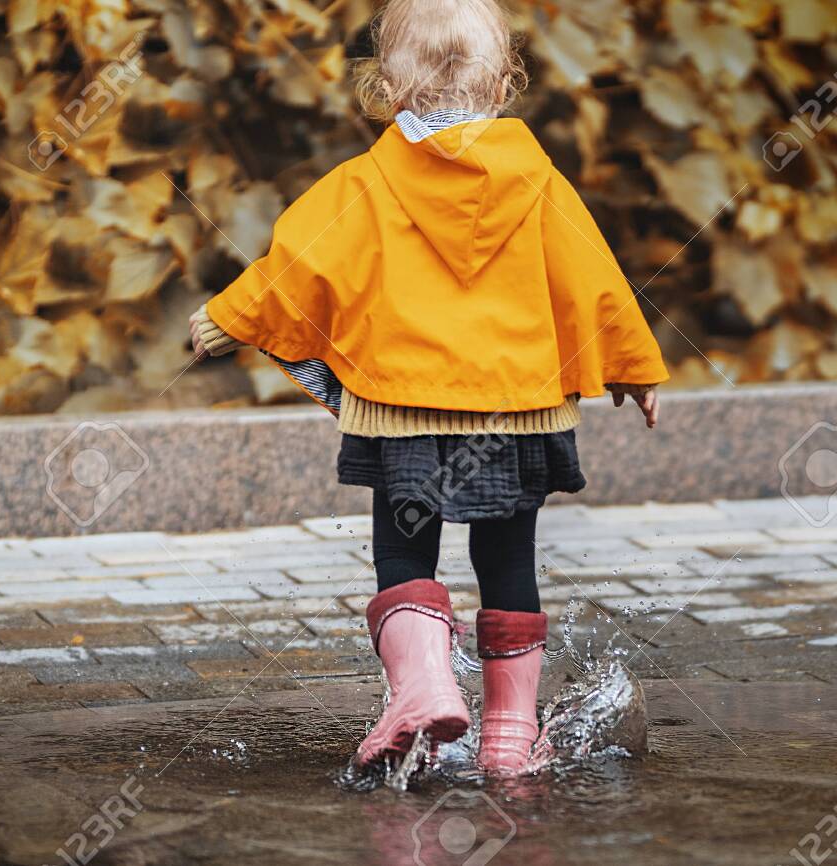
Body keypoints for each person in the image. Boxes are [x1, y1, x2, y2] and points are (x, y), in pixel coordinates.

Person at [187, 0, 666, 775]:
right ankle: (509, 738)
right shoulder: (539, 182)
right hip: (516, 406)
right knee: (508, 560)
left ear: (386, 87)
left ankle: (425, 686)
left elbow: (300, 264)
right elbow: (592, 278)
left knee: (403, 548)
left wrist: (226, 317)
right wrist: (632, 366)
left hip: (402, 405)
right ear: (505, 84)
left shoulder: (365, 182)